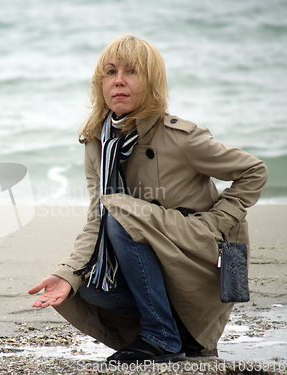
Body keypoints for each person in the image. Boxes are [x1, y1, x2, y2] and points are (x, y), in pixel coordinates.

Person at [28, 35, 268, 363]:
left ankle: (161, 335)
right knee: (90, 285)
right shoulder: (99, 143)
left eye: (132, 72)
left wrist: (215, 223)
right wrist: (67, 273)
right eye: (110, 72)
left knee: (122, 214)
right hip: (151, 249)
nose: (119, 81)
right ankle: (179, 334)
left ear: (152, 82)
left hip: (199, 253)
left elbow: (253, 171)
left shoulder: (181, 138)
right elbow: (98, 219)